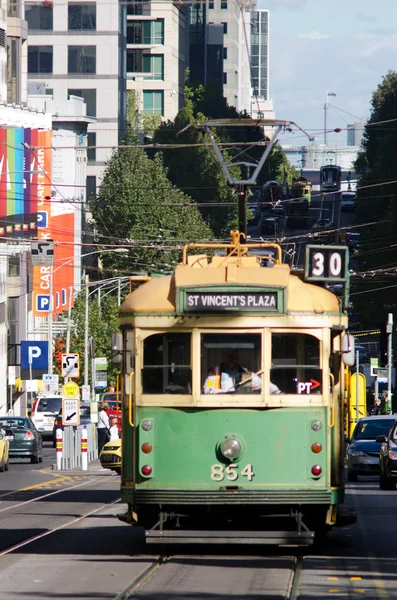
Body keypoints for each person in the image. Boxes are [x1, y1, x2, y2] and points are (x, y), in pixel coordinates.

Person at [203, 350, 281, 394]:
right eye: (229, 355)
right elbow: (208, 390)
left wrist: (278, 393)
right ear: (223, 355)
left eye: (234, 354)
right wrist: (226, 394)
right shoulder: (214, 373)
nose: (232, 358)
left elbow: (268, 386)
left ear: (238, 356)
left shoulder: (247, 373)